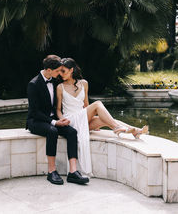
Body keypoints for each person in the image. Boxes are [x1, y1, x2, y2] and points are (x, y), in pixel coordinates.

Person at [56, 58, 148, 175]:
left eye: (63, 71)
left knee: (106, 120)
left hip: (82, 118)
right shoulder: (60, 87)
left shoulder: (84, 83)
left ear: (71, 70)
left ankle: (135, 131)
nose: (60, 74)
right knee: (98, 104)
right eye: (60, 71)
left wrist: (91, 120)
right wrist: (61, 120)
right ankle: (117, 128)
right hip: (71, 120)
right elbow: (58, 109)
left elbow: (86, 105)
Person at [26, 55, 89, 185]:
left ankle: (73, 172)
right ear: (49, 70)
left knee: (72, 132)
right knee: (52, 131)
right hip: (36, 121)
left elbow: (58, 106)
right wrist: (54, 122)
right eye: (57, 71)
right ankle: (51, 171)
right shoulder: (33, 84)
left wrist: (61, 119)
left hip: (53, 119)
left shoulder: (55, 81)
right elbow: (35, 112)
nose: (59, 74)